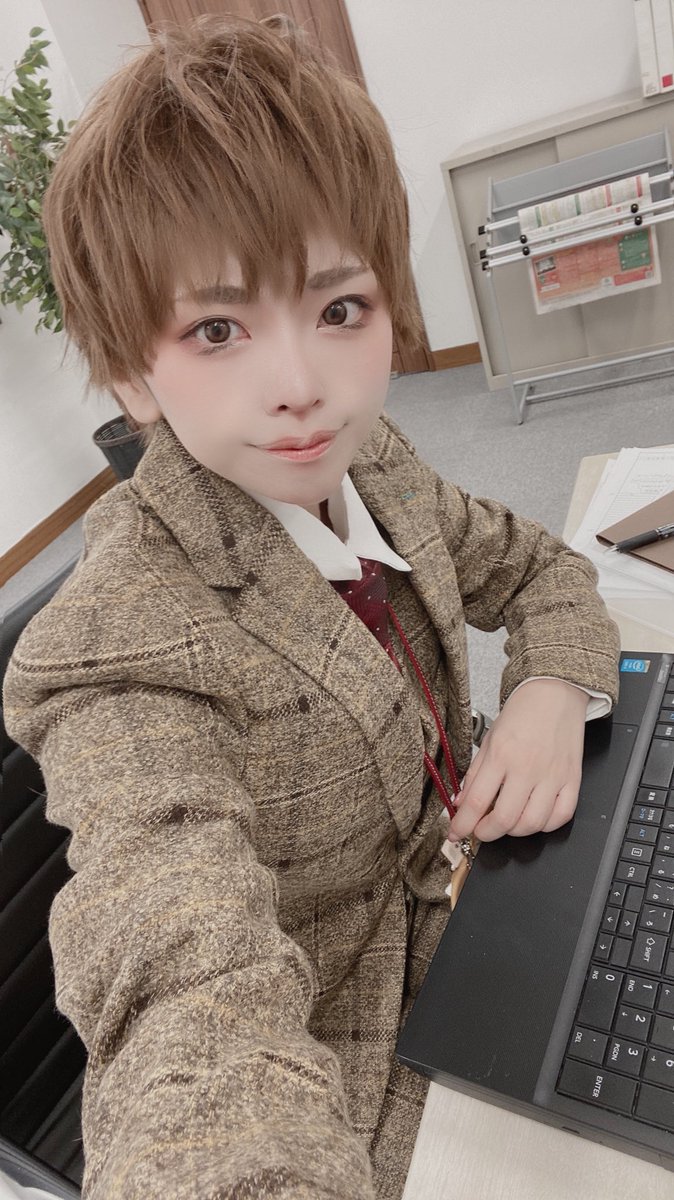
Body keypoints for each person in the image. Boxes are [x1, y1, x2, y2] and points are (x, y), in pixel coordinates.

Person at [3, 14, 620, 1199]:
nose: (302, 388)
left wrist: (550, 689)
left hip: (492, 887)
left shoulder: (372, 461)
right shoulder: (115, 648)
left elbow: (537, 567)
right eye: (216, 329)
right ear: (132, 370)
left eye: (339, 310)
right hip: (357, 1056)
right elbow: (174, 965)